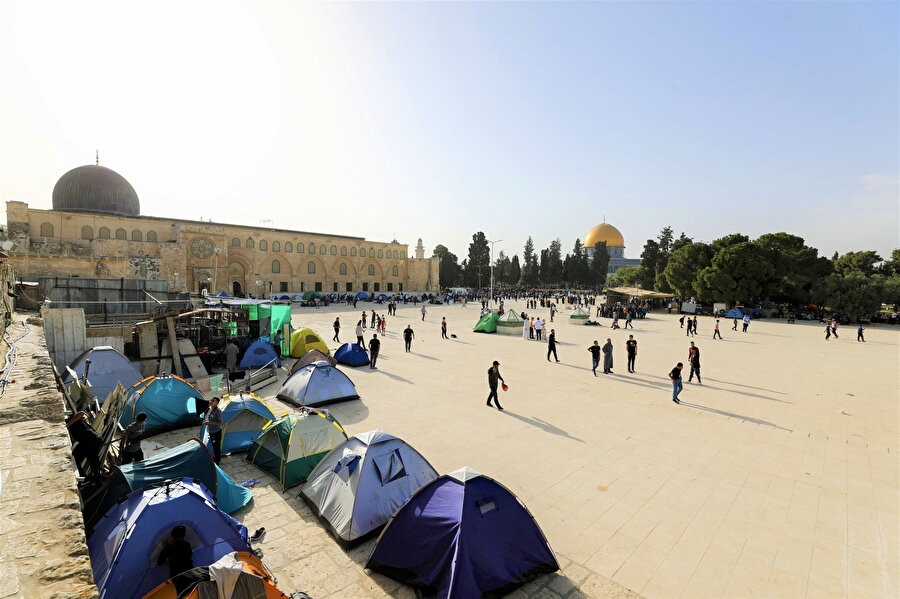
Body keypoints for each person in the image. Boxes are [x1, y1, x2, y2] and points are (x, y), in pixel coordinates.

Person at [67, 411, 104, 480]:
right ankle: (96, 478)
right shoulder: (79, 421)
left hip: (90, 440)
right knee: (92, 459)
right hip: (92, 440)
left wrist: (68, 425)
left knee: (74, 458)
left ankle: (85, 477)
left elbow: (81, 413)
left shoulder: (71, 420)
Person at [204, 397, 224, 464]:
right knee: (214, 446)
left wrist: (209, 423)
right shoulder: (211, 409)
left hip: (216, 432)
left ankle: (217, 461)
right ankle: (216, 458)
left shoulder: (217, 411)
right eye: (211, 400)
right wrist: (207, 422)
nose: (211, 401)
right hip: (211, 431)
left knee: (216, 447)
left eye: (213, 401)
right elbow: (212, 419)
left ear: (217, 403)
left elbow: (220, 422)